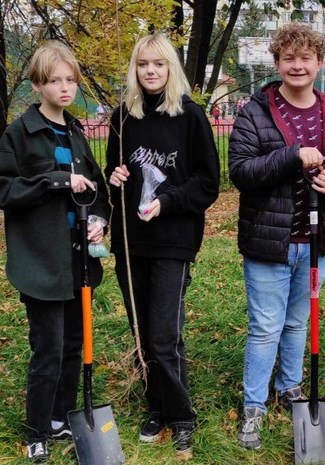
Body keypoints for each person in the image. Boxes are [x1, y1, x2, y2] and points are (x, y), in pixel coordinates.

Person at [229, 22, 325, 450]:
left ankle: (289, 386)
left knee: (297, 322)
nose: (297, 65)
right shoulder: (255, 112)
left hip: (316, 243)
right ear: (277, 63)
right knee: (265, 326)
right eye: (289, 58)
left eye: (306, 58)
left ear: (319, 63)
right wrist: (290, 156)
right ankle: (254, 405)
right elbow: (240, 172)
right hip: (270, 242)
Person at [0, 41, 110, 463]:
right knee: (50, 349)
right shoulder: (19, 133)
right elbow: (3, 191)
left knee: (74, 344)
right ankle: (37, 430)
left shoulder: (76, 133)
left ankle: (62, 417)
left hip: (78, 261)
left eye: (70, 80)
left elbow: (96, 189)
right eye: (55, 80)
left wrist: (99, 219)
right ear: (37, 85)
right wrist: (56, 180)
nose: (65, 88)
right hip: (41, 262)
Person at [105, 33, 220, 458]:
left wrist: (167, 202)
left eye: (158, 64)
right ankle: (157, 406)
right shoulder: (123, 117)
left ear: (171, 68)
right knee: (142, 331)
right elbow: (113, 171)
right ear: (134, 70)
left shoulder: (190, 116)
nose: (150, 71)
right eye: (142, 64)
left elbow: (208, 183)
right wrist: (114, 177)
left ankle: (182, 416)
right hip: (132, 243)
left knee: (164, 334)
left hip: (173, 240)